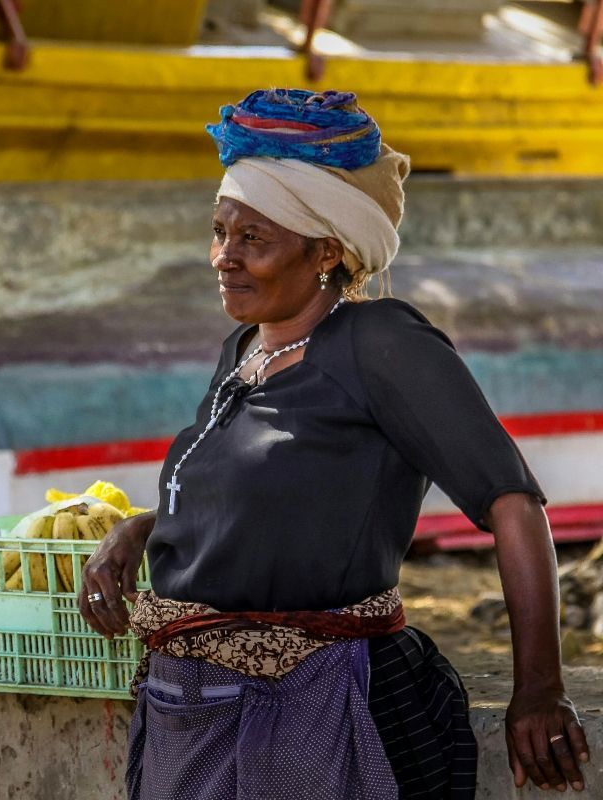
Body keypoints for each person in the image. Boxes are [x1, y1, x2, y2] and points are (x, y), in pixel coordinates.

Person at [79, 89, 589, 799]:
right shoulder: (244, 349)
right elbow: (263, 502)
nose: (224, 257)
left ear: (325, 252)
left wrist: (538, 688)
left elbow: (512, 502)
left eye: (253, 239)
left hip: (318, 712)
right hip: (191, 717)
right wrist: (137, 532)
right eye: (220, 230)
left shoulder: (380, 344)